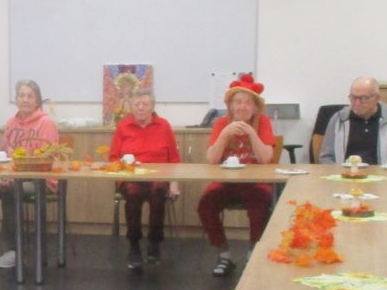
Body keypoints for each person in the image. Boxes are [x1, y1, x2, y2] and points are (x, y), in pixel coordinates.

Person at [0, 80, 59, 269]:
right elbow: (4, 154)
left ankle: (14, 251)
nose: (25, 99)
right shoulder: (11, 123)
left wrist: (14, 177)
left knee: (11, 189)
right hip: (13, 177)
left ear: (37, 100)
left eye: (29, 96)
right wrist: (4, 172)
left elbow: (45, 159)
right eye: (21, 95)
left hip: (40, 180)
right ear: (16, 100)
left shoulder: (46, 123)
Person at [198, 74, 276, 277]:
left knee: (260, 205)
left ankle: (253, 253)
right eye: (237, 102)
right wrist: (224, 135)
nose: (242, 107)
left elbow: (266, 158)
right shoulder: (221, 123)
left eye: (247, 103)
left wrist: (251, 133)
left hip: (255, 182)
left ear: (255, 107)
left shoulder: (263, 123)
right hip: (226, 182)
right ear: (231, 106)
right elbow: (212, 160)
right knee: (206, 204)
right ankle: (224, 255)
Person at [106, 89, 180, 271]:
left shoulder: (163, 126)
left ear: (153, 107)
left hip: (158, 177)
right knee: (132, 193)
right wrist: (123, 168)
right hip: (130, 176)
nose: (140, 108)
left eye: (145, 104)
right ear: (131, 106)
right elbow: (113, 158)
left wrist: (174, 183)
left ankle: (154, 241)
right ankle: (134, 244)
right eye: (136, 104)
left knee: (157, 193)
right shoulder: (123, 126)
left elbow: (175, 160)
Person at [315, 76, 387, 165]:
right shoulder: (338, 119)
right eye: (353, 97)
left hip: (382, 178)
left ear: (377, 98)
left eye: (363, 98)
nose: (357, 103)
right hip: (345, 177)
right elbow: (326, 157)